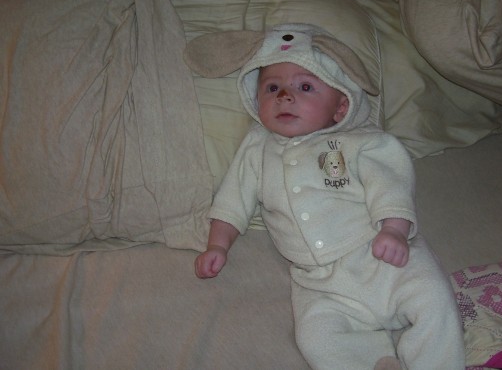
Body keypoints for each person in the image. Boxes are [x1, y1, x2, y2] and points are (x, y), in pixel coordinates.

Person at [190, 24, 465, 370]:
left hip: (380, 257)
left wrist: (394, 230)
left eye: (305, 86)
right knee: (316, 338)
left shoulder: (362, 141)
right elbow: (232, 200)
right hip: (318, 282)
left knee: (433, 297)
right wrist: (217, 245)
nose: (284, 96)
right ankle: (376, 362)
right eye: (272, 88)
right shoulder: (257, 148)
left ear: (340, 106)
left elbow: (390, 183)